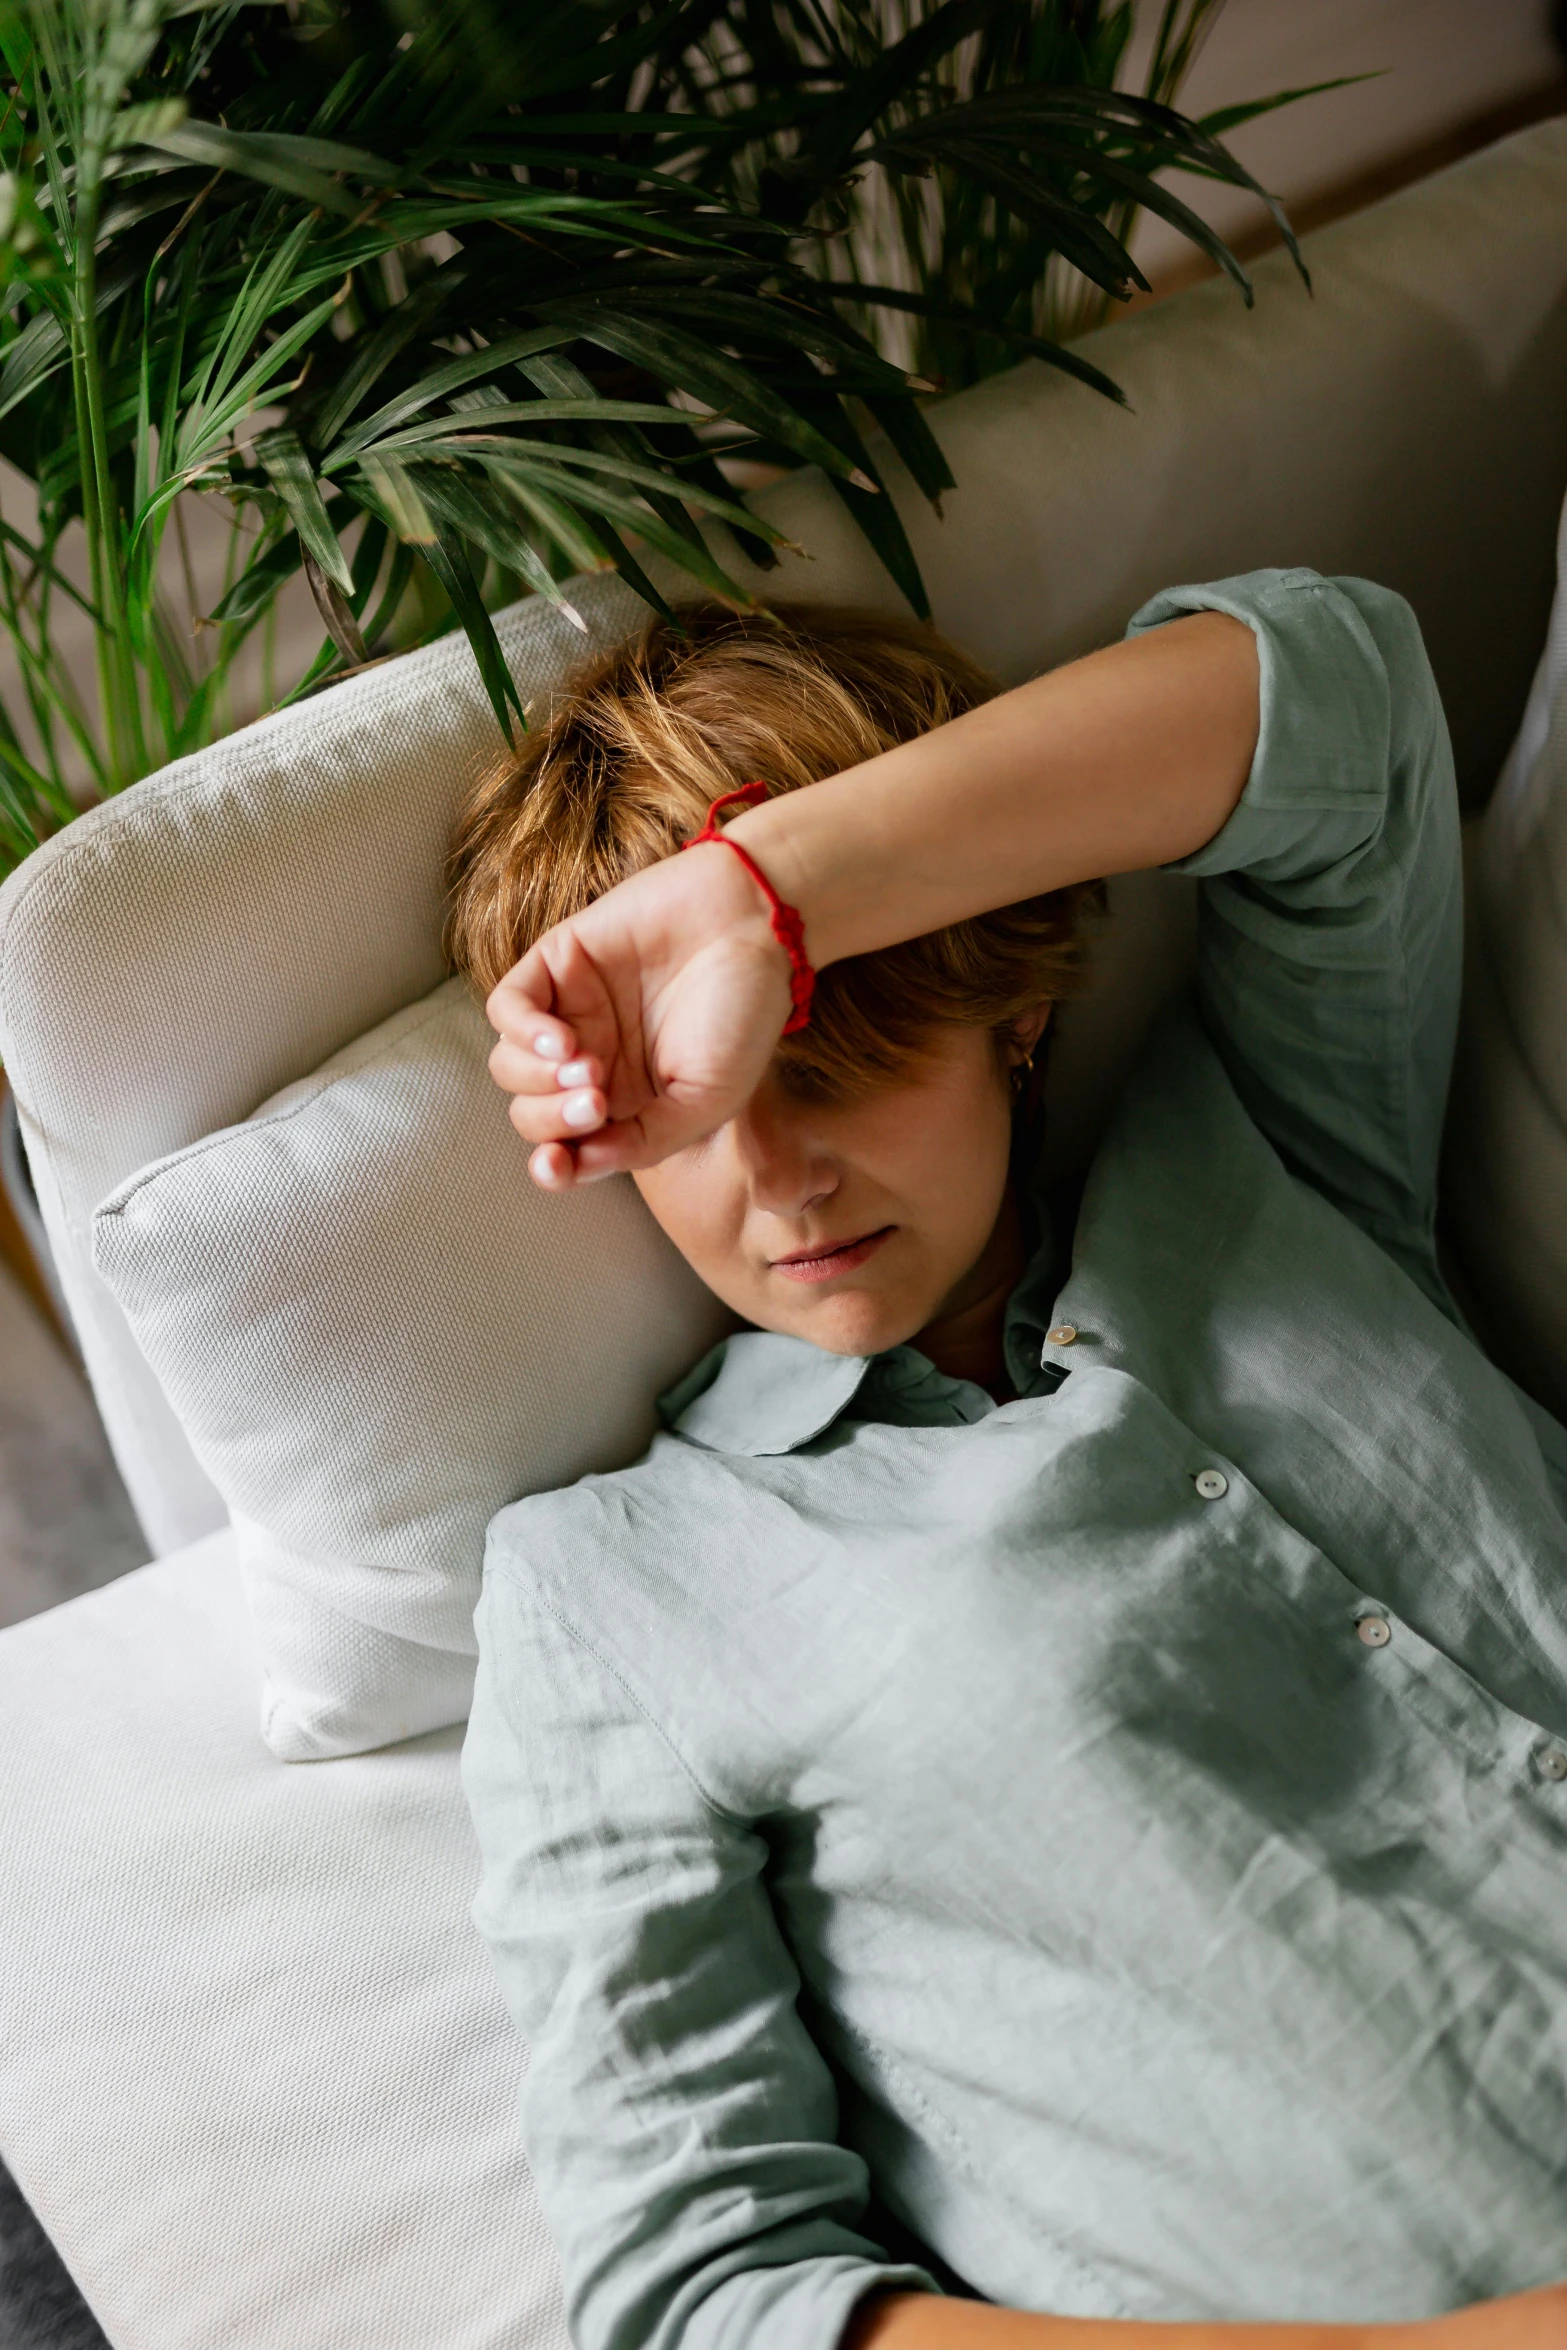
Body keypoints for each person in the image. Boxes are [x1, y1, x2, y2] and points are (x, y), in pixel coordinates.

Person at [447, 574, 1567, 2350]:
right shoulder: (619, 1589)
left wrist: (767, 900)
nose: (779, 1177)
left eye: (841, 1056)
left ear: (1012, 1005)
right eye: (680, 1110)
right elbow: (699, 2296)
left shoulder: (1270, 1151)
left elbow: (1337, 697)